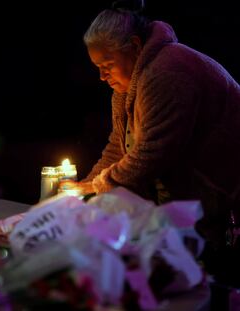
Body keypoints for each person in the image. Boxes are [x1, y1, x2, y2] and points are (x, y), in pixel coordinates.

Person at [69, 0, 240, 286]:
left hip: (227, 202)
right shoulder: (127, 87)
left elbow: (151, 153)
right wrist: (85, 187)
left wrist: (97, 188)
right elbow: (118, 147)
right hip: (198, 207)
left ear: (134, 47)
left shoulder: (167, 72)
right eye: (97, 67)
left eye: (107, 65)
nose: (101, 76)